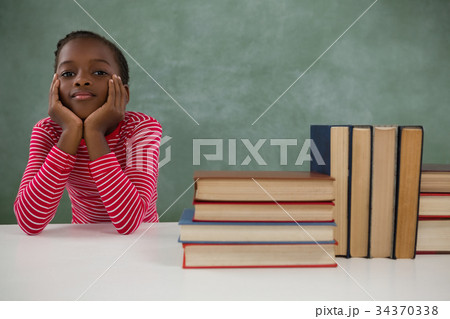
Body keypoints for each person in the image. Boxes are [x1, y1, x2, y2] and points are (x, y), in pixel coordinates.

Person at [14, 31, 162, 235]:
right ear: (54, 88)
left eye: (99, 72)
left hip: (141, 239)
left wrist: (94, 132)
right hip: (84, 239)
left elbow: (129, 222)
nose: (81, 80)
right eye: (68, 74)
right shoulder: (47, 131)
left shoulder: (142, 129)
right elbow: (29, 221)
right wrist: (70, 132)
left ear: (124, 93)